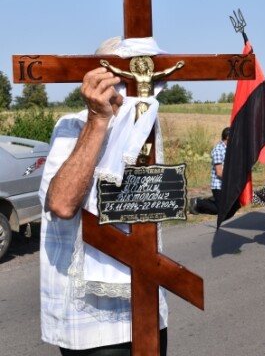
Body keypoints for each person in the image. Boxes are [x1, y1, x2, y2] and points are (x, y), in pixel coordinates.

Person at [39, 36, 168, 354]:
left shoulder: (148, 128)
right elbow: (61, 204)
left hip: (146, 308)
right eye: (123, 79)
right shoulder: (72, 126)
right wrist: (98, 120)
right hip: (90, 324)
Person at [189, 127, 229, 215]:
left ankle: (204, 203)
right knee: (219, 210)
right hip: (218, 185)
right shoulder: (218, 150)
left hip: (225, 184)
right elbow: (219, 173)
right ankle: (197, 202)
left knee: (226, 208)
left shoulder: (228, 149)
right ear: (228, 137)